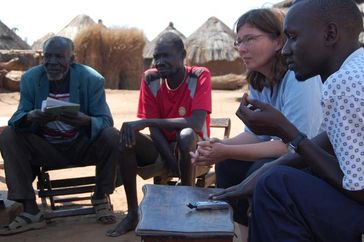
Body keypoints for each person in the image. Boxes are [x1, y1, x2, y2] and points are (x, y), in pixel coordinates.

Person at [211, 0, 364, 241]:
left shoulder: (345, 82)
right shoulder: (355, 69)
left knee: (276, 186)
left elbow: (358, 189)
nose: (285, 49)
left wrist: (285, 130)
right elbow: (328, 140)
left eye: (293, 37)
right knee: (270, 174)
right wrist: (270, 167)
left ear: (330, 34)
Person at [190, 8, 322, 241]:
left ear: (278, 40)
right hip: (290, 153)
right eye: (239, 41)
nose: (241, 48)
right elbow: (255, 135)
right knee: (228, 165)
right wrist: (218, 147)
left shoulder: (299, 78)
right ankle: (244, 234)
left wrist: (226, 150)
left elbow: (295, 146)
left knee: (258, 170)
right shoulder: (260, 80)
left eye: (250, 39)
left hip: (315, 162)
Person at [0, 36, 120, 235]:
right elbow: (17, 118)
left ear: (72, 59)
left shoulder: (92, 79)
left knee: (111, 135)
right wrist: (31, 117)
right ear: (42, 58)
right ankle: (30, 211)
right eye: (48, 56)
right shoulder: (31, 78)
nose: (52, 62)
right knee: (8, 136)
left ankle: (100, 196)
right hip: (46, 147)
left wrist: (86, 121)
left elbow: (106, 120)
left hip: (81, 145)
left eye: (59, 57)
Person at [106, 32, 212, 237]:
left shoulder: (199, 75)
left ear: (182, 55)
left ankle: (185, 205)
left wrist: (145, 121)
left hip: (197, 152)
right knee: (127, 136)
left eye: (166, 56)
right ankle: (132, 214)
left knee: (187, 134)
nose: (160, 62)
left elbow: (196, 122)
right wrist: (170, 161)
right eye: (156, 57)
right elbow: (154, 130)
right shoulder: (151, 78)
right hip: (163, 148)